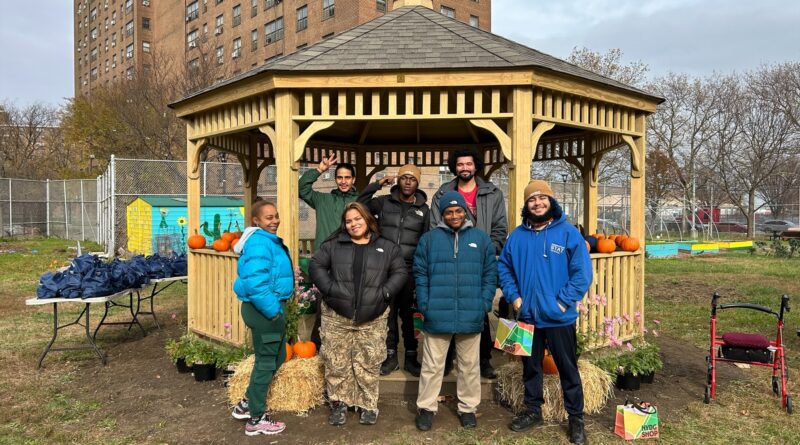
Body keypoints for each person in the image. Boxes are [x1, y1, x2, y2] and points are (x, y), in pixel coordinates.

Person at [498, 180, 592, 445]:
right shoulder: (517, 236)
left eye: (542, 198)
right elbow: (504, 268)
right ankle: (532, 410)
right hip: (527, 316)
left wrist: (563, 302)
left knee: (567, 368)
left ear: (551, 202)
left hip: (559, 317)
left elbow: (582, 273)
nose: (537, 203)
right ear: (526, 205)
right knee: (530, 367)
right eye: (532, 200)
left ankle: (576, 419)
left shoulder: (568, 233)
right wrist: (515, 298)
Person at [309, 202, 408, 426]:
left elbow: (400, 271)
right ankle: (338, 403)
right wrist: (331, 290)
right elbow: (316, 266)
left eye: (358, 218)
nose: (354, 224)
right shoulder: (333, 245)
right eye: (349, 221)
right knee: (337, 362)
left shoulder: (386, 246)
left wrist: (385, 292)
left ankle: (367, 404)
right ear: (344, 225)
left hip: (372, 316)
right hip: (337, 315)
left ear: (367, 219)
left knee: (369, 362)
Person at [413, 192, 497, 431]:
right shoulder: (429, 240)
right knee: (431, 365)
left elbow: (490, 273)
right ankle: (427, 407)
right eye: (449, 212)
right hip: (436, 313)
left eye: (458, 211)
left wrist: (484, 303)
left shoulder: (480, 239)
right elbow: (419, 273)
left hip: (471, 313)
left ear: (465, 211)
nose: (454, 215)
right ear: (442, 214)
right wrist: (425, 303)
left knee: (469, 366)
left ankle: (468, 407)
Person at [431, 149, 507, 379]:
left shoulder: (492, 193)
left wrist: (487, 249)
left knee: (478, 311)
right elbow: (435, 226)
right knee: (448, 309)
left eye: (469, 164)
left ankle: (484, 360)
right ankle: (446, 360)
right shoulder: (443, 193)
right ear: (455, 167)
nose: (465, 167)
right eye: (460, 164)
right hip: (451, 259)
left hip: (480, 261)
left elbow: (500, 228)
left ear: (476, 166)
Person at [358, 164, 430, 377]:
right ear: (398, 180)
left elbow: (425, 242)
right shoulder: (382, 203)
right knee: (387, 314)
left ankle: (410, 356)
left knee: (409, 314)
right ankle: (390, 357)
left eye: (412, 179)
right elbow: (359, 205)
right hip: (385, 268)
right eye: (404, 177)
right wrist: (377, 184)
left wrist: (421, 273)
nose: (408, 181)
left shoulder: (423, 210)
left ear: (417, 183)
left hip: (409, 270)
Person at [230, 200, 293, 436]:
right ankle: (256, 419)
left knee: (275, 356)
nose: (275, 221)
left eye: (276, 216)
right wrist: (273, 311)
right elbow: (255, 282)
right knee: (267, 361)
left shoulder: (264, 240)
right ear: (256, 220)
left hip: (267, 307)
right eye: (269, 217)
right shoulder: (259, 243)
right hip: (264, 309)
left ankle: (247, 403)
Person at [299, 153, 359, 349]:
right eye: (340, 177)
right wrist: (319, 170)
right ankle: (318, 346)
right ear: (335, 179)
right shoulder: (322, 200)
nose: (343, 181)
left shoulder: (360, 201)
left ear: (353, 179)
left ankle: (346, 344)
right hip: (326, 261)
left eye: (347, 177)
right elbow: (301, 189)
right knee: (322, 305)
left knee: (350, 304)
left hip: (351, 260)